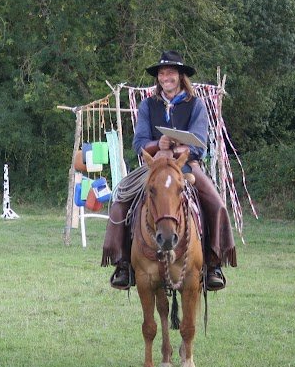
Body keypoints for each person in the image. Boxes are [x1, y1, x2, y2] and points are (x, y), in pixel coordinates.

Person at [101, 50, 237, 291]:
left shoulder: (196, 105)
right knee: (120, 201)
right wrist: (158, 144)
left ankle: (213, 264)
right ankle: (123, 263)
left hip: (186, 166)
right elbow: (139, 143)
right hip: (154, 167)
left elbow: (200, 144)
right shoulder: (148, 105)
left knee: (217, 205)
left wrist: (177, 148)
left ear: (181, 76)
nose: (166, 77)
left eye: (171, 73)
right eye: (162, 73)